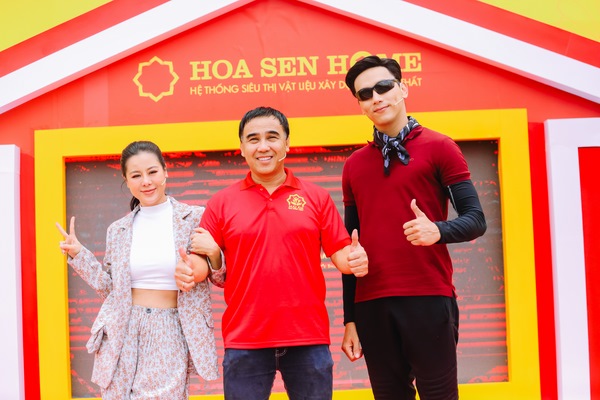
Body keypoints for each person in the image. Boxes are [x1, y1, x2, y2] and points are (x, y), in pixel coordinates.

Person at [176, 106, 369, 400]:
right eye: (253, 139)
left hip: (307, 336)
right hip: (245, 338)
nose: (263, 146)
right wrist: (189, 270)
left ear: (287, 144)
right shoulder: (222, 202)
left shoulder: (316, 197)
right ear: (242, 148)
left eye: (272, 137)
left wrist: (354, 259)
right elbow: (202, 260)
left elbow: (341, 254)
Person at [340, 55, 487, 400]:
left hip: (428, 297)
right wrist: (350, 319)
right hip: (372, 305)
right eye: (365, 94)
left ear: (402, 89)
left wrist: (439, 230)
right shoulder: (354, 165)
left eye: (383, 87)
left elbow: (476, 219)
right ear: (360, 105)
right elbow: (351, 248)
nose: (376, 98)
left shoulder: (440, 147)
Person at [56, 140, 224, 399]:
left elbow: (220, 276)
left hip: (169, 327)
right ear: (126, 180)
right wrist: (79, 255)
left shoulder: (194, 218)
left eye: (152, 172)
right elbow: (111, 290)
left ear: (165, 171)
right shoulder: (118, 230)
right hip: (122, 327)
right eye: (136, 175)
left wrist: (214, 254)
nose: (146, 181)